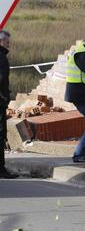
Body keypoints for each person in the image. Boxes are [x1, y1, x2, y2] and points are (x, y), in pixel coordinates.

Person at [0, 30, 18, 178]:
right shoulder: (1, 57)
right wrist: (4, 98)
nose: (8, 44)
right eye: (7, 42)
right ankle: (1, 169)